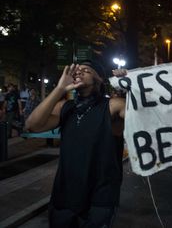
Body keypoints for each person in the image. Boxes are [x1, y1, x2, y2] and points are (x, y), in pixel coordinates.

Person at [25, 60, 126, 228]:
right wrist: (59, 89)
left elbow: (142, 116)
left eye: (86, 70)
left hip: (99, 199)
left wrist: (131, 84)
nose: (79, 72)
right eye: (76, 71)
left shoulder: (112, 106)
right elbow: (32, 125)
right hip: (64, 196)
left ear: (99, 78)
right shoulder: (65, 107)